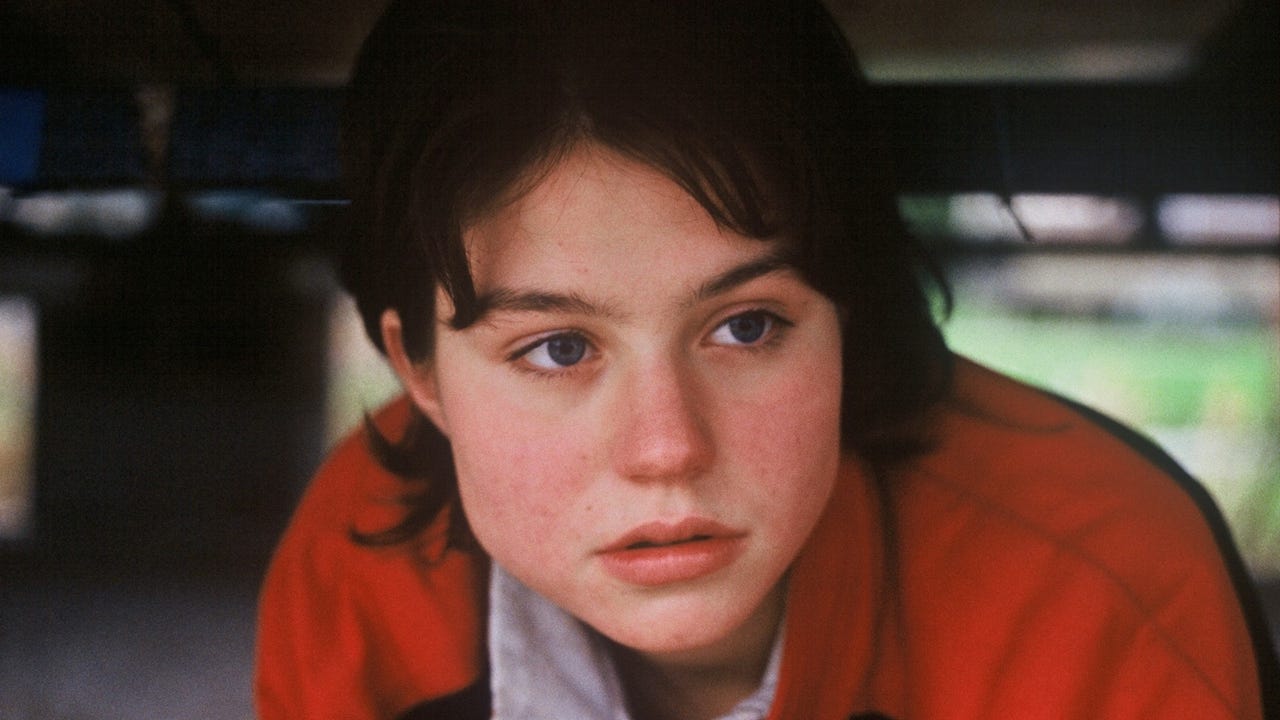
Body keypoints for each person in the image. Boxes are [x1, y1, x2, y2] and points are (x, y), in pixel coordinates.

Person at [254, 1, 1276, 718]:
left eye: (745, 327)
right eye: (558, 348)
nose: (667, 449)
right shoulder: (358, 571)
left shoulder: (1101, 589)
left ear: (844, 314)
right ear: (421, 373)